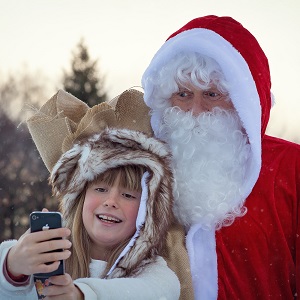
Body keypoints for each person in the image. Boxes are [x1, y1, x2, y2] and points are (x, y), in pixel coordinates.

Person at [142, 15, 300, 299]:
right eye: (183, 94)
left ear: (242, 101)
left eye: (212, 94)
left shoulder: (291, 170)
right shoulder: (140, 170)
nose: (196, 110)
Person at [0, 89, 180, 299]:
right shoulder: (46, 259)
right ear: (79, 198)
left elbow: (146, 293)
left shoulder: (156, 276)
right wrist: (12, 266)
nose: (111, 202)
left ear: (148, 212)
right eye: (101, 189)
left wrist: (80, 294)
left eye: (128, 195)